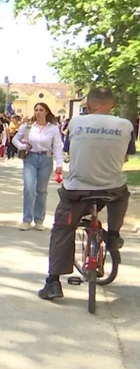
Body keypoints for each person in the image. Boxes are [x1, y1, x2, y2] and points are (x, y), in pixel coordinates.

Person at [38, 89, 131, 300]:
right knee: (122, 195)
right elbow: (124, 158)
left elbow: (73, 151)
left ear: (88, 106)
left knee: (62, 228)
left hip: (77, 190)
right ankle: (114, 235)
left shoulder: (75, 123)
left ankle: (53, 281)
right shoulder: (125, 125)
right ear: (112, 106)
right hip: (111, 188)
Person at [13, 103, 64, 231]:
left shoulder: (53, 128)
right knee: (29, 188)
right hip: (31, 158)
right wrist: (23, 147)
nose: (38, 112)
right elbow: (15, 139)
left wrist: (59, 164)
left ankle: (39, 219)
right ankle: (26, 220)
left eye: (41, 110)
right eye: (36, 110)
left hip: (46, 159)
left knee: (41, 190)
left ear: (46, 112)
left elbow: (57, 147)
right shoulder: (28, 127)